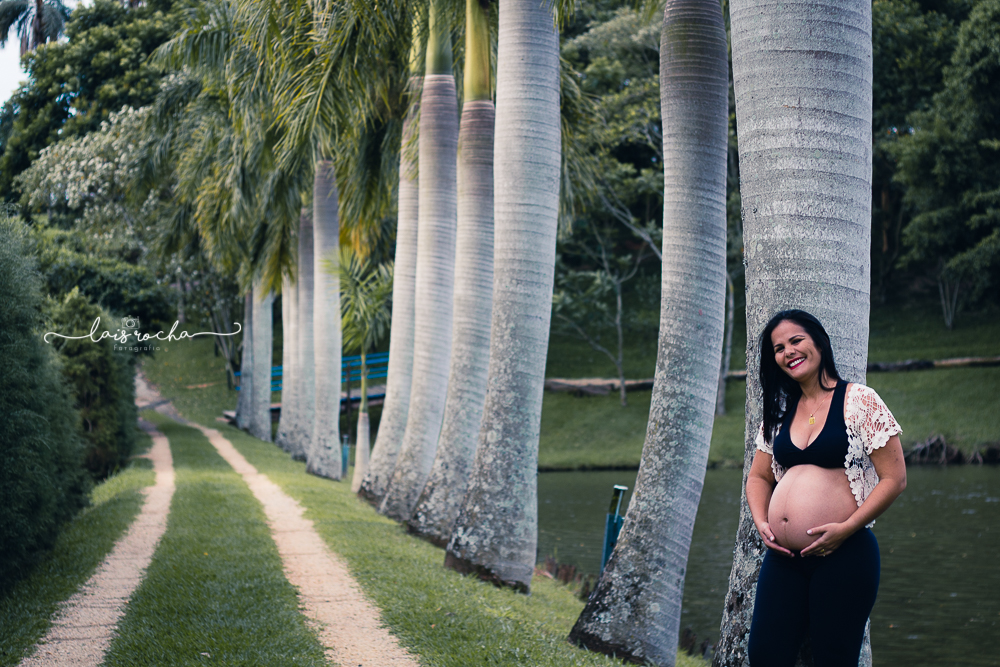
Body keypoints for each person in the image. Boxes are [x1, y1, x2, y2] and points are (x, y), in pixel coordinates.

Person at [746, 309, 907, 667]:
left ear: (818, 342)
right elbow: (758, 477)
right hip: (784, 561)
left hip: (844, 554)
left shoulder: (860, 401)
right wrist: (762, 521)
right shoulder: (781, 412)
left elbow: (894, 479)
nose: (788, 351)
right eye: (778, 348)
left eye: (796, 340)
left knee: (834, 659)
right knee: (765, 655)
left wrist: (846, 529)